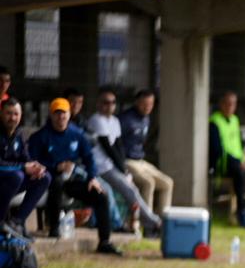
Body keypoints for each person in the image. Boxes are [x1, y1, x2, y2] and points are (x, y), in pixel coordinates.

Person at [30, 98, 121, 255]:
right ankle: (54, 228)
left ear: (69, 114)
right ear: (51, 115)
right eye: (57, 114)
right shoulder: (41, 136)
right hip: (49, 179)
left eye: (63, 113)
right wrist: (55, 166)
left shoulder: (77, 134)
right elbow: (33, 161)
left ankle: (104, 241)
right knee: (57, 183)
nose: (60, 117)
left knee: (101, 196)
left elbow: (89, 158)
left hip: (73, 179)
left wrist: (92, 177)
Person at [88, 87, 162, 236]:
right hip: (99, 167)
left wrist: (124, 169)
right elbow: (107, 147)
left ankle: (149, 223)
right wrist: (123, 169)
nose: (109, 105)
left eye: (113, 102)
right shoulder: (96, 119)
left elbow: (118, 145)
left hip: (110, 165)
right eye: (105, 102)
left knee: (131, 189)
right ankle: (154, 222)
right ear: (98, 104)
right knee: (130, 190)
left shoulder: (114, 120)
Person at [0, 98, 51, 237]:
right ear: (1, 114)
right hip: (6, 180)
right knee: (18, 176)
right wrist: (23, 167)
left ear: (21, 115)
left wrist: (36, 166)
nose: (12, 118)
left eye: (16, 114)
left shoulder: (18, 134)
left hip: (11, 181)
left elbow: (25, 158)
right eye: (8, 113)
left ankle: (17, 223)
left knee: (44, 177)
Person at [120, 89, 175, 217]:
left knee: (167, 183)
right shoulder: (125, 119)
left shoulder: (146, 119)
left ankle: (163, 222)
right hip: (127, 161)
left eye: (151, 104)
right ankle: (148, 223)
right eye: (144, 104)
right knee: (148, 183)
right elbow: (116, 143)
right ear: (136, 103)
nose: (147, 107)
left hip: (140, 161)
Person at [209, 91, 245, 227]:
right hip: (223, 163)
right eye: (227, 103)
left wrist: (244, 160)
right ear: (221, 104)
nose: (230, 106)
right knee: (240, 175)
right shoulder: (214, 122)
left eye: (233, 104)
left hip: (238, 162)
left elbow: (239, 145)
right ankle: (241, 212)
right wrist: (239, 163)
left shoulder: (235, 120)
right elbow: (217, 149)